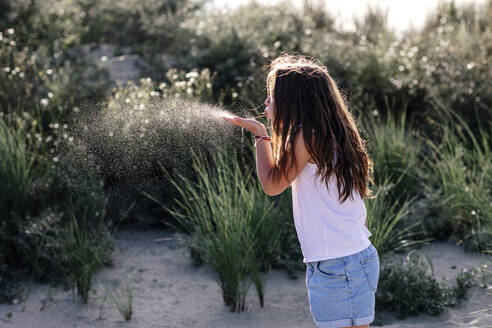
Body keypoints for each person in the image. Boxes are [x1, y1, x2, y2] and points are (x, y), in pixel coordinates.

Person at [222, 53, 379, 328]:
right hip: (346, 260)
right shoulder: (330, 134)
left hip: (339, 265)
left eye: (272, 96)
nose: (266, 102)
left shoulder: (306, 137)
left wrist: (260, 134)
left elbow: (271, 185)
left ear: (293, 100)